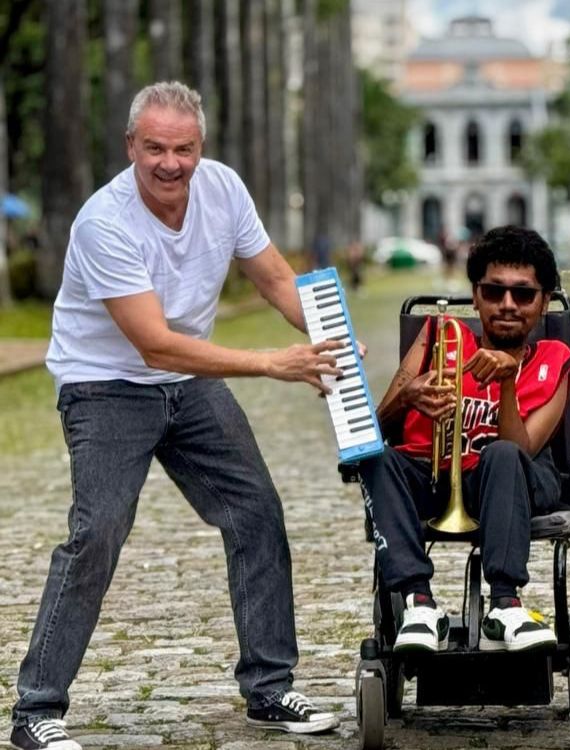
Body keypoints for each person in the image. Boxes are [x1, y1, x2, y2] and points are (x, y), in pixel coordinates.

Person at [10, 82, 345, 750]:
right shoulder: (104, 223)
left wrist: (330, 342)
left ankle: (268, 688)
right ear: (131, 146)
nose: (170, 163)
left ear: (201, 147)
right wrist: (271, 363)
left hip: (188, 384)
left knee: (256, 512)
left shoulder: (223, 189)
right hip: (106, 385)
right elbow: (154, 344)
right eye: (155, 148)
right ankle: (35, 711)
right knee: (98, 531)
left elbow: (277, 278)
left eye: (184, 149)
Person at [359, 225, 570, 653]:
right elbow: (374, 429)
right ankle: (419, 603)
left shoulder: (556, 360)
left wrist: (508, 383)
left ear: (544, 301)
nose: (508, 304)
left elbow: (523, 450)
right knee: (374, 457)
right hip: (433, 477)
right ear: (476, 296)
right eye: (494, 291)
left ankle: (505, 604)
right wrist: (406, 397)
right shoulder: (438, 337)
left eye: (524, 294)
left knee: (502, 454)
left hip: (513, 482)